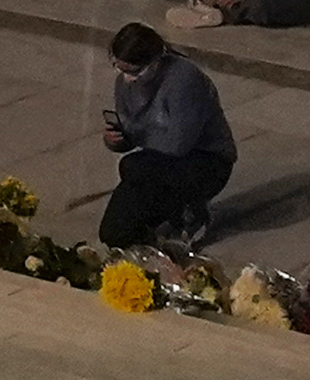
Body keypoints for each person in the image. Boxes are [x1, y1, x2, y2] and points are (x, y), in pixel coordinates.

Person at [98, 23, 236, 249]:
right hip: (157, 159)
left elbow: (179, 143)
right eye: (119, 68)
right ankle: (148, 221)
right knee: (130, 176)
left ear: (154, 63)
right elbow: (130, 130)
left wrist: (137, 136)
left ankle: (191, 211)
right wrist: (116, 139)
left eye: (133, 71)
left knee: (136, 166)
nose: (127, 77)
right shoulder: (124, 84)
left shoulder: (184, 79)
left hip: (206, 160)